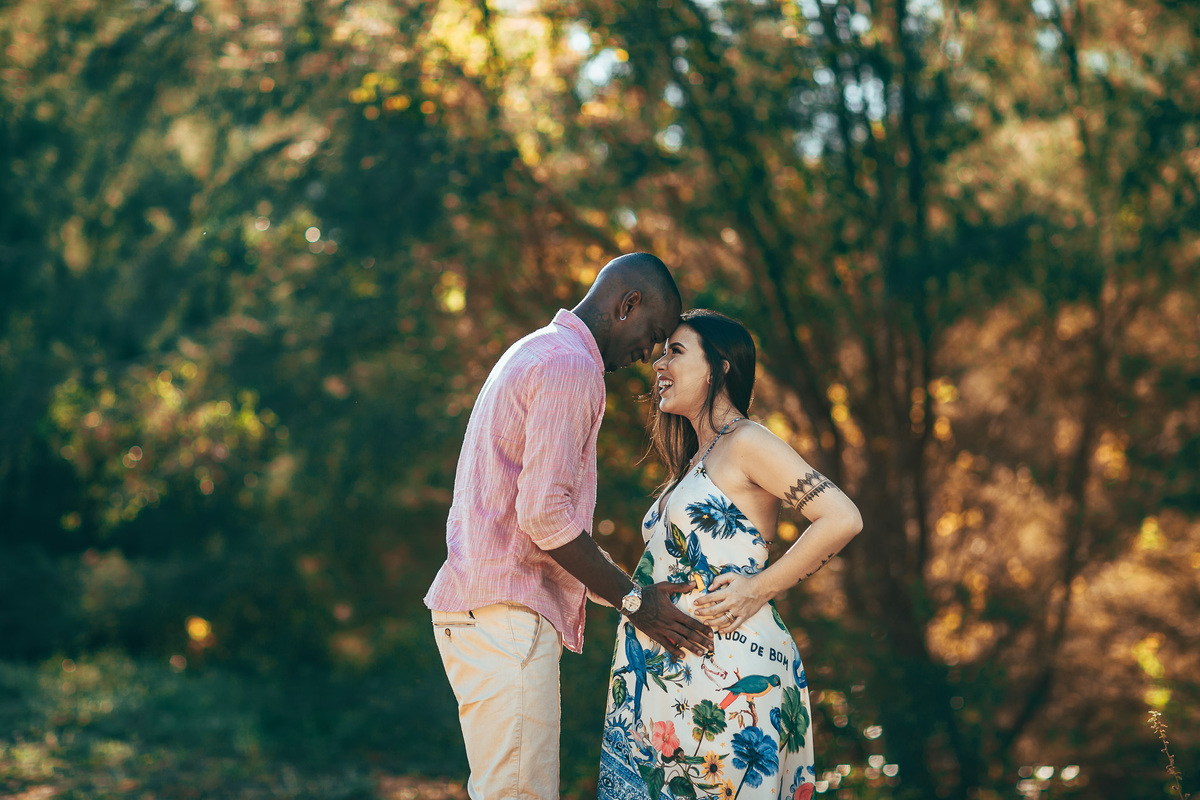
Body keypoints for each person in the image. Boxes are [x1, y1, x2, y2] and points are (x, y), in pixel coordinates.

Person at [424, 253, 715, 800]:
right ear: (627, 304)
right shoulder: (569, 367)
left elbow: (528, 515)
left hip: (487, 610)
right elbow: (543, 515)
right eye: (653, 334)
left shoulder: (538, 350)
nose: (648, 355)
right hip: (506, 618)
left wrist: (626, 596)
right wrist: (635, 602)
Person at [598, 309, 863, 800]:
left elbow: (842, 517)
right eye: (660, 353)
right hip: (669, 681)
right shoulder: (694, 461)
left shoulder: (746, 441)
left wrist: (758, 588)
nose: (659, 364)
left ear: (720, 367)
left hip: (729, 670)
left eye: (675, 351)